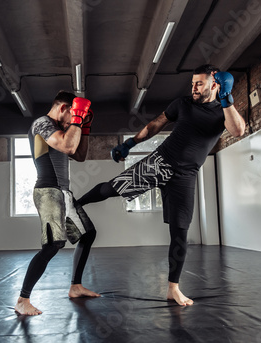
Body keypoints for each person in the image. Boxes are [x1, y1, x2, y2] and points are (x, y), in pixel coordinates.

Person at [77, 64, 246, 306]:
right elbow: (156, 124)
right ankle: (74, 204)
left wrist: (227, 99)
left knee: (180, 231)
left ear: (215, 83)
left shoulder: (223, 110)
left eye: (199, 83)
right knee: (113, 188)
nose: (194, 88)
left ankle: (173, 289)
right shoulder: (183, 103)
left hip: (186, 175)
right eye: (192, 84)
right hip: (160, 162)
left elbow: (238, 130)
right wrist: (130, 144)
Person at [14, 91, 100, 316]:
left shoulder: (63, 129)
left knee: (87, 234)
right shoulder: (42, 124)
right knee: (53, 245)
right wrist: (78, 120)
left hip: (64, 193)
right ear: (63, 108)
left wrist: (84, 127)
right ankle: (23, 300)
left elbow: (80, 155)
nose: (74, 121)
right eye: (73, 115)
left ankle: (75, 286)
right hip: (48, 192)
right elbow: (69, 147)